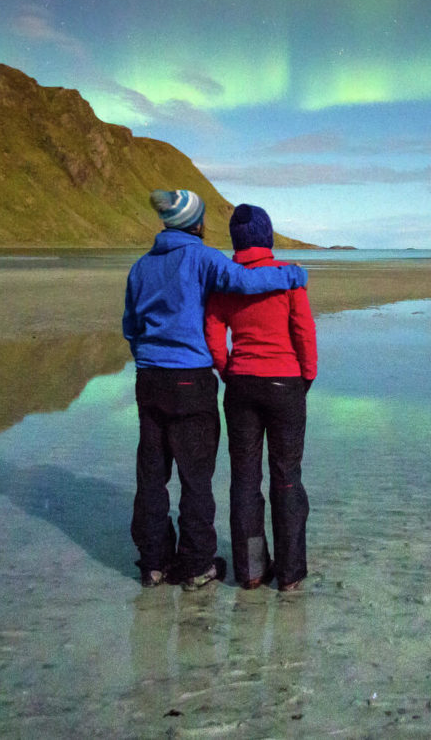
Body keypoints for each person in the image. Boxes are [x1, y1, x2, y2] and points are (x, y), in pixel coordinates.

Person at [123, 189, 308, 590]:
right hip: (191, 380)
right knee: (196, 477)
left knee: (152, 475)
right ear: (197, 223)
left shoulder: (139, 267)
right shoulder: (202, 257)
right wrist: (293, 274)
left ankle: (155, 565)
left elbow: (131, 328)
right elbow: (244, 280)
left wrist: (155, 359)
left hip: (150, 379)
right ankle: (196, 566)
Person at [204, 203, 316, 591]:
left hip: (241, 385)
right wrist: (308, 374)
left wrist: (226, 368)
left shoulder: (226, 281)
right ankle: (289, 574)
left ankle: (251, 572)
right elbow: (303, 331)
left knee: (246, 480)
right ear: (266, 236)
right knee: (287, 477)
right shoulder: (287, 278)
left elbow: (213, 331)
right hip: (285, 383)